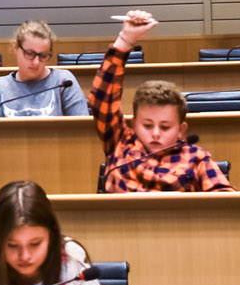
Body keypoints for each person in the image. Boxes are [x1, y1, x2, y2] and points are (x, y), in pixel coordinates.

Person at [90, 11, 231, 192]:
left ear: (181, 130)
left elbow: (226, 201)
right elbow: (102, 98)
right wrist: (126, 39)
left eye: (165, 127)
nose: (156, 134)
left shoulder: (196, 158)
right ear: (133, 124)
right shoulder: (120, 143)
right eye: (147, 125)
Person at [0, 19, 86, 117]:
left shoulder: (64, 81)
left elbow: (82, 129)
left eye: (43, 55)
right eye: (30, 54)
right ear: (15, 48)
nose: (36, 62)